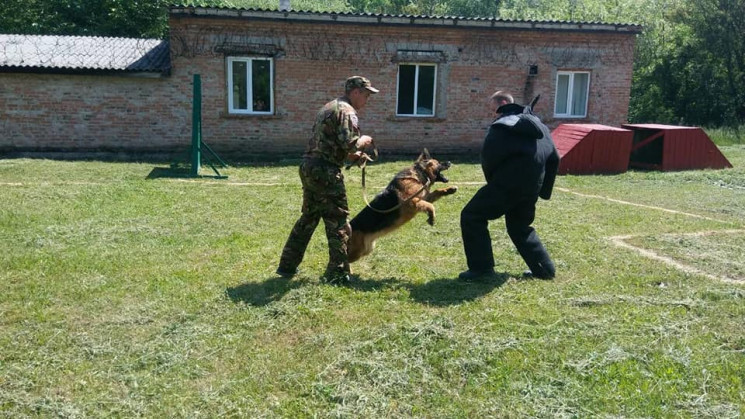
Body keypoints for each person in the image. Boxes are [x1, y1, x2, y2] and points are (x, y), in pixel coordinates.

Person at [276, 76, 379, 283]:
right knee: (338, 222)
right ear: (356, 92)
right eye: (366, 95)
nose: (367, 100)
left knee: (309, 218)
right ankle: (338, 274)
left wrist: (353, 157)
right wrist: (364, 140)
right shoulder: (347, 111)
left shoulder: (330, 107)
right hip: (326, 172)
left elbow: (335, 145)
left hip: (310, 167)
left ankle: (287, 265)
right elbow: (350, 143)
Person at [459, 91, 560, 281]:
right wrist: (542, 190)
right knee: (520, 226)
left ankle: (481, 269)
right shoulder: (543, 128)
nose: (493, 115)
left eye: (493, 110)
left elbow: (489, 157)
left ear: (503, 103)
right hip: (531, 187)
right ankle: (544, 270)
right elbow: (555, 158)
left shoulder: (501, 126)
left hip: (506, 185)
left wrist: (494, 184)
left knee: (472, 216)